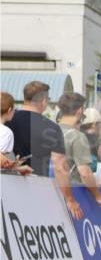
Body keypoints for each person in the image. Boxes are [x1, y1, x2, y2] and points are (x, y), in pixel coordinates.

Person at [8, 81, 82, 219]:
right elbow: (60, 166)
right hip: (35, 190)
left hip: (7, 188)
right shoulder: (51, 127)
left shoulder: (7, 120)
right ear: (43, 101)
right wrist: (69, 199)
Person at [56, 92, 101, 204]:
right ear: (79, 110)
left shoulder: (48, 131)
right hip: (73, 193)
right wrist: (98, 197)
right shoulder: (77, 136)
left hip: (49, 189)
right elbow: (85, 173)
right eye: (83, 108)